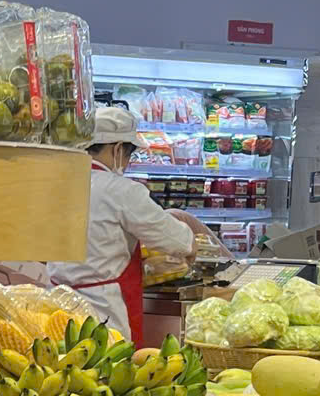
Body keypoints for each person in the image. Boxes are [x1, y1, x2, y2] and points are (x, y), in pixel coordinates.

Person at [45, 104, 216, 346]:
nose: (126, 162)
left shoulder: (58, 184)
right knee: (109, 362)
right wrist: (191, 244)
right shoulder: (121, 190)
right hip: (104, 308)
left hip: (56, 302)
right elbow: (173, 238)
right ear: (117, 149)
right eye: (128, 154)